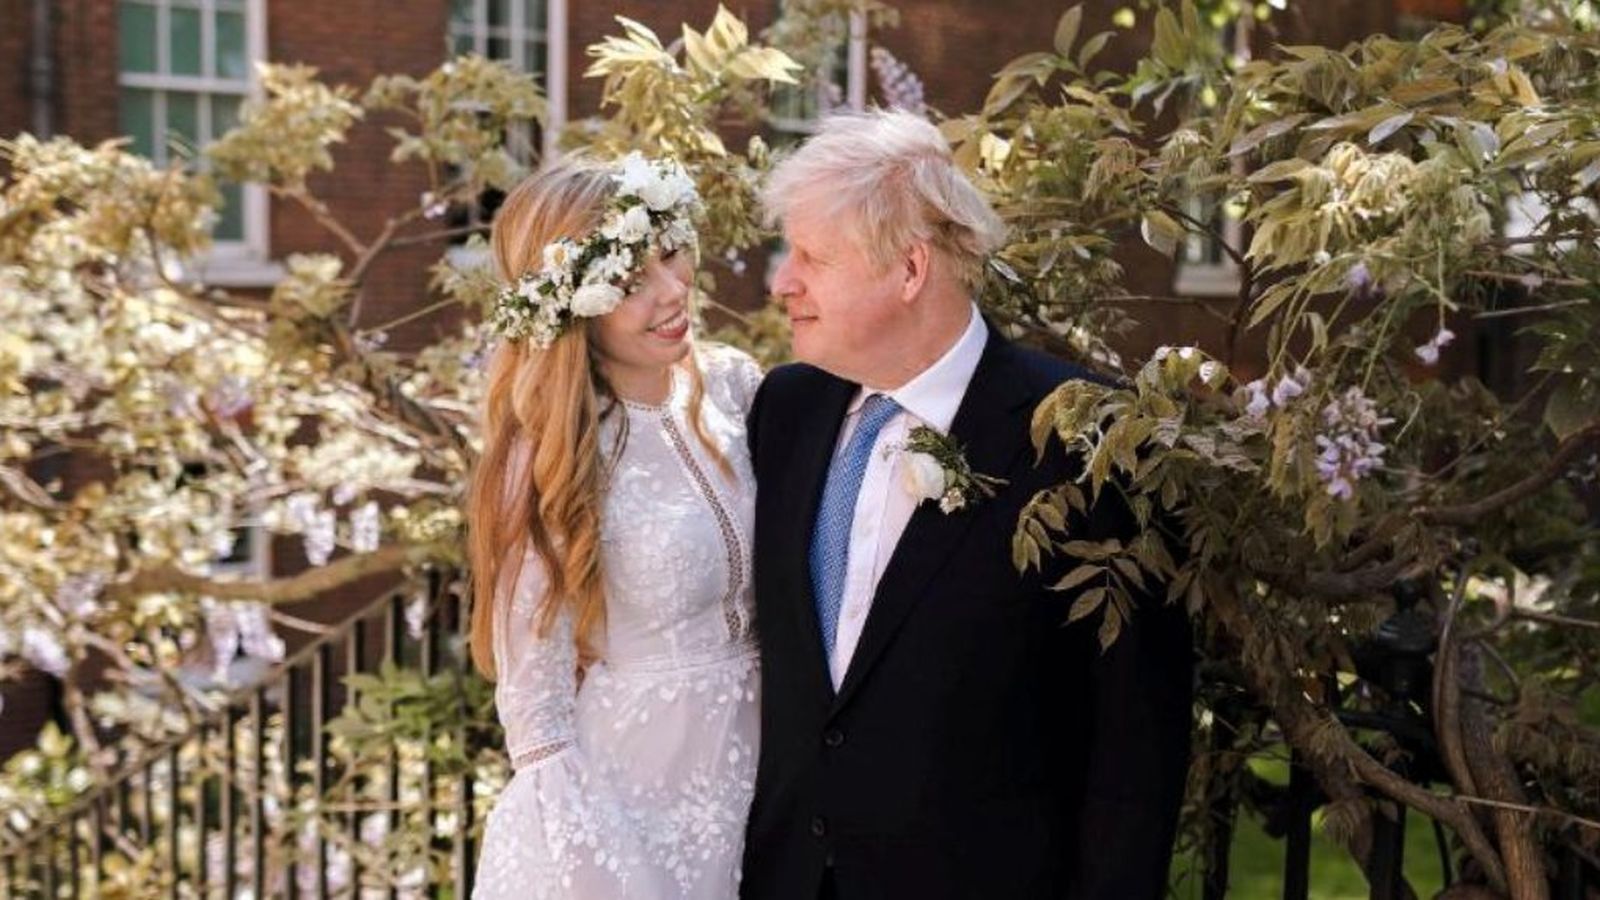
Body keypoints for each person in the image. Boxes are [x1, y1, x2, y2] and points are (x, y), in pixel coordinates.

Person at [741, 110, 1194, 899]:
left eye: (811, 256)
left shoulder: (1088, 439)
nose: (783, 281)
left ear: (910, 270)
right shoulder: (784, 411)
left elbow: (1135, 750)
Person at [467, 153, 763, 900]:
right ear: (572, 307)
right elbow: (536, 717)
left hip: (770, 767)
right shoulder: (548, 454)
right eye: (630, 283)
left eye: (670, 255)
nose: (672, 292)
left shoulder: (736, 385)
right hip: (631, 804)